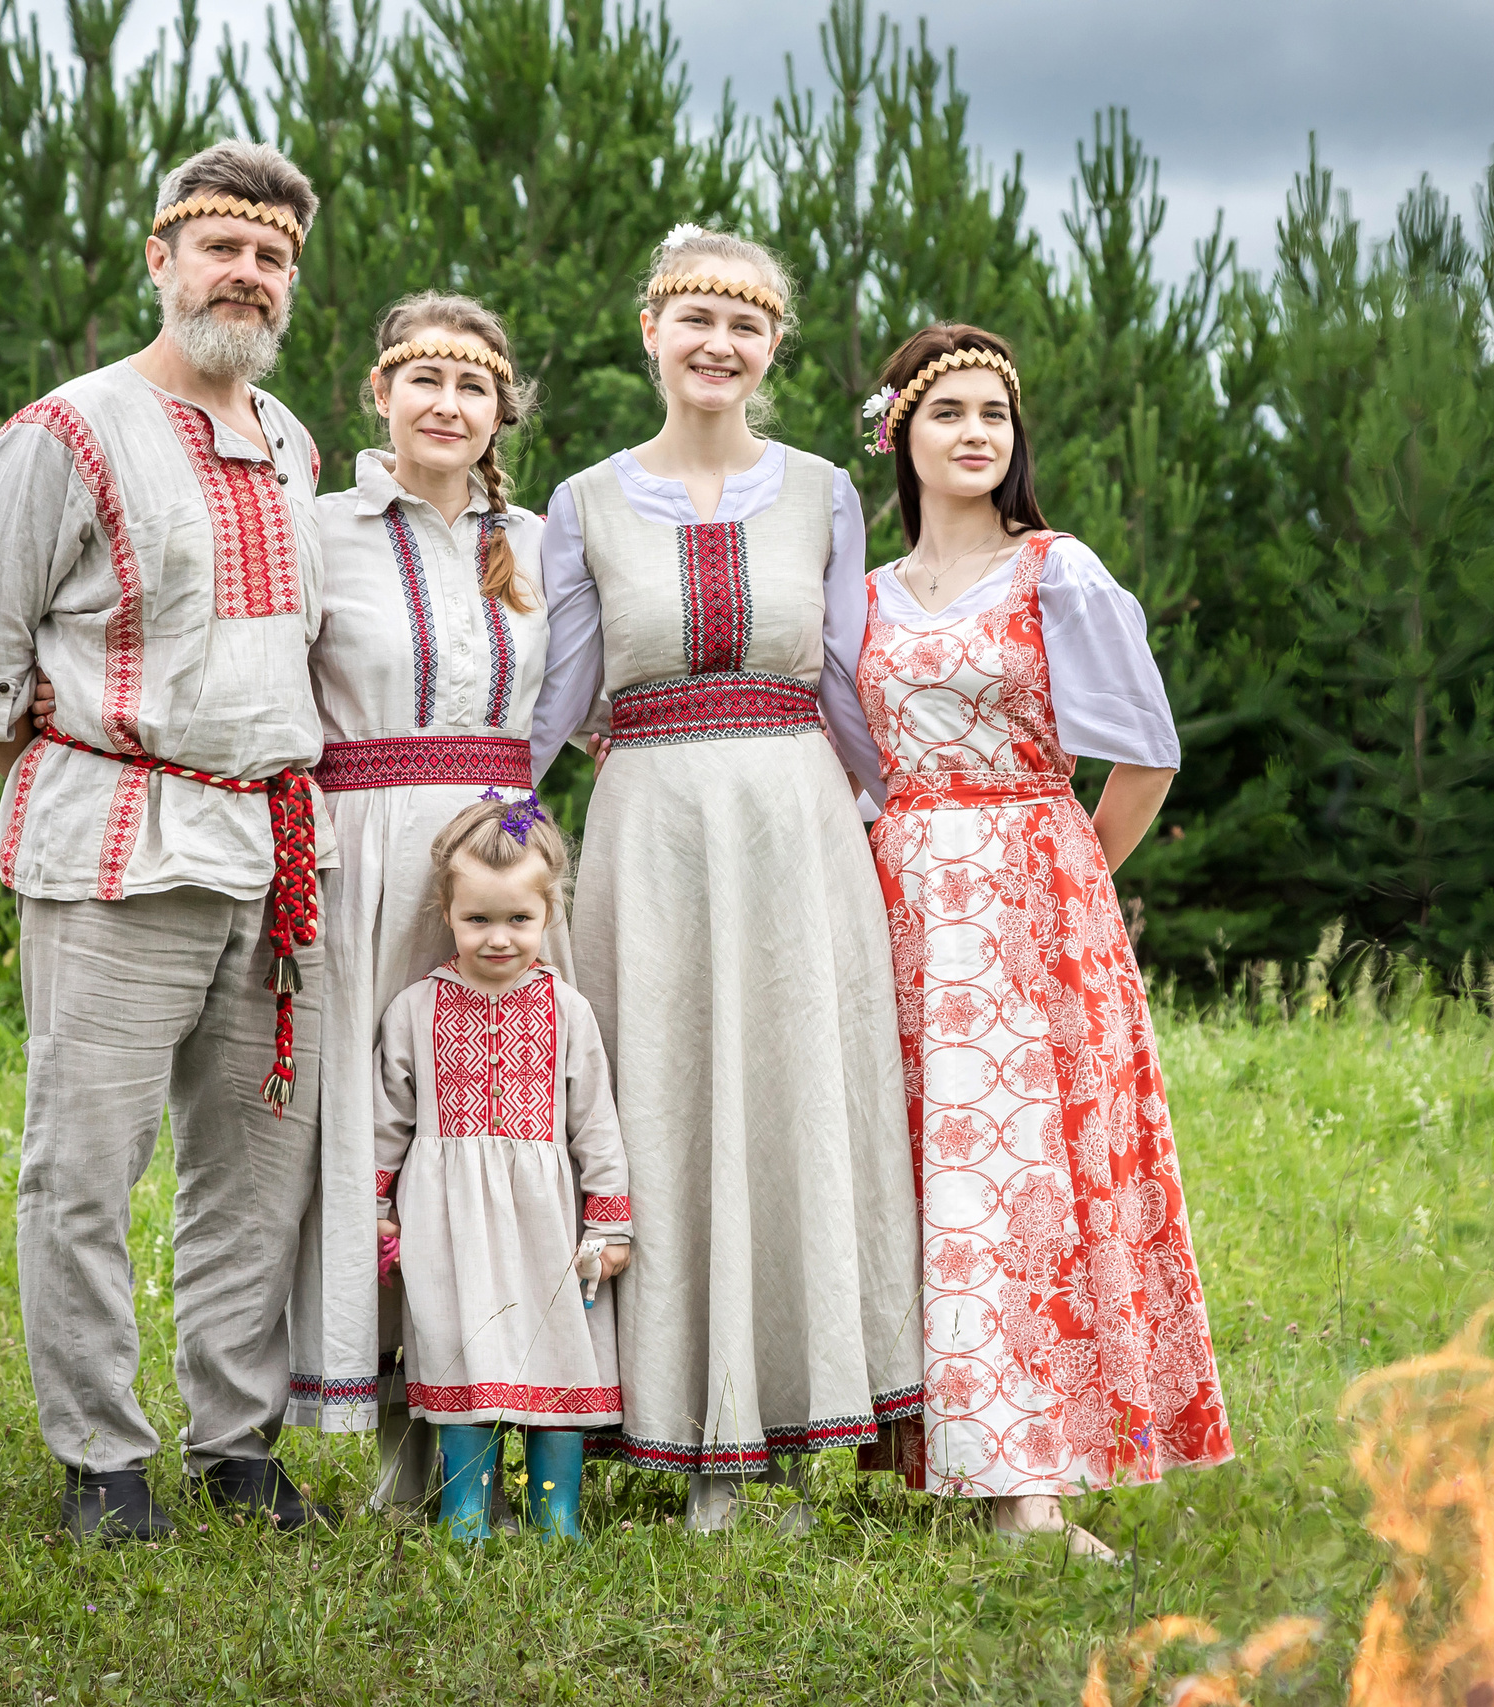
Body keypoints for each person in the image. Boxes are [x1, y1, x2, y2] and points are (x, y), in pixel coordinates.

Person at [0, 140, 337, 1541]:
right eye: (220, 246)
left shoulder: (292, 442)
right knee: (84, 1167)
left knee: (254, 1174)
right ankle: (102, 1464)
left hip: (272, 849)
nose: (247, 272)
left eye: (272, 255)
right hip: (117, 843)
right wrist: (91, 764)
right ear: (159, 257)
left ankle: (238, 1449)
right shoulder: (67, 431)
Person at [527, 225, 923, 1533]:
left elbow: (856, 682)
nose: (719, 343)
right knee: (666, 1101)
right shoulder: (581, 501)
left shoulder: (824, 491)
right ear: (649, 330)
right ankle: (692, 1434)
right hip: (647, 832)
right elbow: (557, 694)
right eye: (696, 317)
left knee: (796, 1096)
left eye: (748, 323)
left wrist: (913, 822)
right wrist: (490, 820)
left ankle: (795, 1425)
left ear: (773, 349)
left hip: (799, 829)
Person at [854, 323, 1233, 1557]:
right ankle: (933, 1442)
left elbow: (1144, 752)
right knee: (922, 1177)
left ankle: (1036, 1484)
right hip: (901, 894)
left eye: (994, 416)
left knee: (1020, 1183)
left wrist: (1067, 872)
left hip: (1029, 893)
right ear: (899, 434)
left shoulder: (1055, 572)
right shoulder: (859, 600)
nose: (975, 433)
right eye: (948, 411)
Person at [284, 293, 565, 1518]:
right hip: (369, 859)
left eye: (473, 386)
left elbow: (583, 701)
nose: (448, 407)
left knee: (494, 1137)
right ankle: (399, 1443)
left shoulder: (543, 544)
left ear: (503, 407)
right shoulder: (319, 531)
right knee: (381, 1140)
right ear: (381, 397)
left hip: (501, 864)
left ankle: (499, 1415)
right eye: (424, 383)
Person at [373, 797, 631, 1542]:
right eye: (477, 918)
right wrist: (378, 1206)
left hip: (546, 1223)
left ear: (549, 913)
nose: (497, 938)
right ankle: (466, 1514)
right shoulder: (415, 1011)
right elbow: (387, 1119)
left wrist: (610, 1220)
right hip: (446, 1224)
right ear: (447, 912)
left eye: (518, 919)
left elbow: (597, 1125)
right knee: (462, 1355)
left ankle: (557, 1512)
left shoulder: (567, 1011)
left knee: (556, 1354)